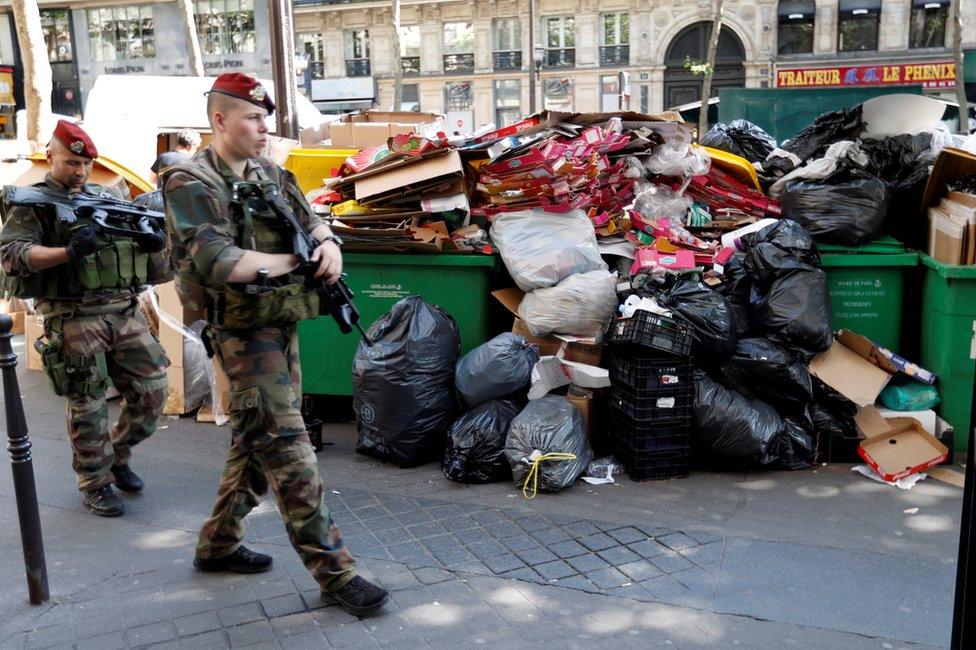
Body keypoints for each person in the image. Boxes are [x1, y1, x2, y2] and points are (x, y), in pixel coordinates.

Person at [163, 73, 388, 616]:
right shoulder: (190, 182)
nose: (265, 128)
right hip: (242, 337)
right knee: (290, 451)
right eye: (252, 118)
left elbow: (312, 220)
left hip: (280, 326)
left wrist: (329, 246)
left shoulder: (268, 172)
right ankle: (336, 572)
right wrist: (297, 263)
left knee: (255, 444)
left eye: (266, 119)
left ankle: (217, 545)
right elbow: (220, 262)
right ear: (219, 120)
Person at [0, 120, 170, 517]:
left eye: (86, 164)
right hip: (73, 315)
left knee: (153, 391)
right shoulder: (33, 202)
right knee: (87, 404)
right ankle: (95, 482)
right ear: (50, 157)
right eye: (72, 162)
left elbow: (146, 260)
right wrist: (67, 252)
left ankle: (118, 455)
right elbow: (12, 255)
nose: (80, 172)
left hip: (124, 310)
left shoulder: (105, 196)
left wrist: (149, 241)